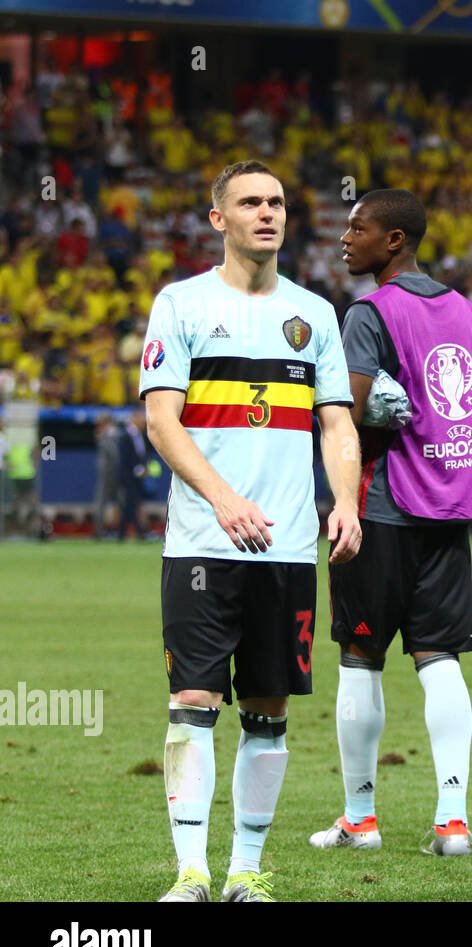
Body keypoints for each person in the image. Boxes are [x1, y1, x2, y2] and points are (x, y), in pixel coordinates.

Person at [143, 160, 361, 902]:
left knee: (268, 712)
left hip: (290, 548)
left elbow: (335, 421)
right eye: (249, 202)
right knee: (194, 703)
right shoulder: (181, 304)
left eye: (276, 202)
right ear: (219, 219)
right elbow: (160, 420)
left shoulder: (316, 314)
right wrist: (223, 499)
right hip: (203, 546)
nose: (266, 212)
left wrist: (347, 500)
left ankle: (245, 871)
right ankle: (191, 873)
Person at [309, 188, 472, 857]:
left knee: (360, 655)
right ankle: (452, 822)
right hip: (449, 501)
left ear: (394, 241)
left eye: (358, 228)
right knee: (438, 656)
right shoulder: (463, 307)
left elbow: (343, 414)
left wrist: (337, 402)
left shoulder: (370, 311)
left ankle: (361, 819)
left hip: (381, 504)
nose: (345, 238)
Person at [117, 406, 149, 540]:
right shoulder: (125, 435)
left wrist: (143, 469)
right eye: (141, 418)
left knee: (131, 504)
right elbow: (125, 458)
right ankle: (139, 531)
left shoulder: (140, 435)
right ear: (134, 418)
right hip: (128, 476)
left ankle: (123, 532)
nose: (144, 421)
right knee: (132, 503)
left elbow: (141, 455)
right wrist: (137, 470)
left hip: (138, 476)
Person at [92, 415, 121, 539]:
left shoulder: (114, 436)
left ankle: (118, 530)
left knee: (117, 501)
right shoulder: (107, 436)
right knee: (105, 502)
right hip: (108, 473)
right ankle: (100, 531)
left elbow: (114, 455)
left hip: (112, 474)